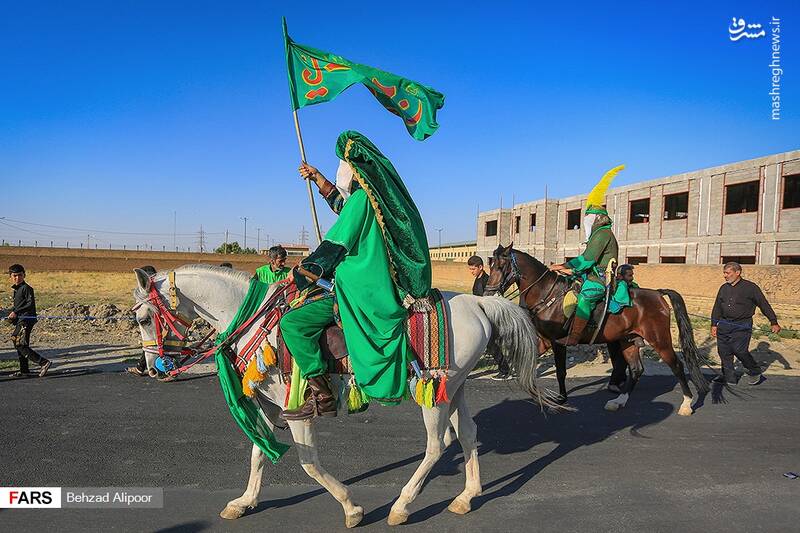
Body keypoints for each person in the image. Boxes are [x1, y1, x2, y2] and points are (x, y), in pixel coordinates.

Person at [279, 130, 432, 420]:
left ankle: (321, 395)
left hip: (356, 293)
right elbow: (342, 206)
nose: (340, 172)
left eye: (342, 166)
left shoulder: (362, 201)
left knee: (292, 322)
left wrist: (301, 273)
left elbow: (335, 245)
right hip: (372, 289)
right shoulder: (370, 200)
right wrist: (318, 178)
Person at [548, 165, 624, 345]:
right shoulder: (597, 234)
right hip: (590, 274)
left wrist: (560, 266)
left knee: (584, 298)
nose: (585, 221)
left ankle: (574, 337)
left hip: (600, 279)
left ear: (597, 218)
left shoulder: (603, 235)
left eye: (588, 217)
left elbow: (586, 260)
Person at [711, 262, 781, 385]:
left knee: (739, 350)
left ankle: (754, 371)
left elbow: (763, 304)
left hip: (742, 325)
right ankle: (729, 378)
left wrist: (773, 321)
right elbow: (717, 307)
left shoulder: (751, 288)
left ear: (737, 272)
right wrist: (714, 324)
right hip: (724, 324)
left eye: (728, 273)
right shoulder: (723, 288)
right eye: (724, 273)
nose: (725, 276)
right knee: (724, 352)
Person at [468, 255, 511, 380]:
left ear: (480, 267)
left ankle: (505, 370)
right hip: (480, 316)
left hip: (489, 317)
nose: (471, 272)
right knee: (482, 344)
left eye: (473, 269)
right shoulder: (477, 279)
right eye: (470, 269)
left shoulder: (487, 280)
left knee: (492, 345)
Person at [7, 264, 51, 377]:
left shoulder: (26, 288)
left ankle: (44, 362)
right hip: (20, 320)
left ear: (24, 275)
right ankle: (24, 371)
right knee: (20, 343)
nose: (17, 278)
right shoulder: (17, 290)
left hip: (26, 320)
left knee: (18, 342)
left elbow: (29, 304)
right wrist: (12, 313)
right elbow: (19, 305)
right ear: (10, 276)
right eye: (14, 275)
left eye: (20, 275)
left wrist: (15, 312)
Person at [127, 265, 157, 377]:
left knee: (150, 338)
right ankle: (141, 367)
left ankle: (142, 367)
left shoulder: (149, 292)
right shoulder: (155, 290)